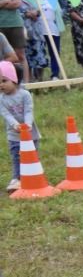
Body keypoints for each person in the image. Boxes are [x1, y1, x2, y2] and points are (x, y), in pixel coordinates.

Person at [2, 59, 36, 193]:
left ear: (14, 79)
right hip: (14, 134)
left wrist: (27, 124)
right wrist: (16, 125)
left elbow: (29, 110)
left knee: (32, 155)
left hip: (30, 132)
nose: (1, 85)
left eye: (4, 81)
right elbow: (6, 114)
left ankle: (33, 175)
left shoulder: (25, 94)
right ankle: (17, 179)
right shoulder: (1, 99)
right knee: (17, 155)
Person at [20, 0, 61, 80]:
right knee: (37, 52)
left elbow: (58, 14)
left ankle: (55, 74)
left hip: (52, 29)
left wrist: (59, 27)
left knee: (55, 52)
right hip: (37, 30)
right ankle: (36, 76)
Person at [0, 0, 27, 83]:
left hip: (14, 23)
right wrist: (4, 1)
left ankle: (25, 84)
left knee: (19, 55)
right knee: (4, 57)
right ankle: (5, 81)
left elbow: (17, 3)